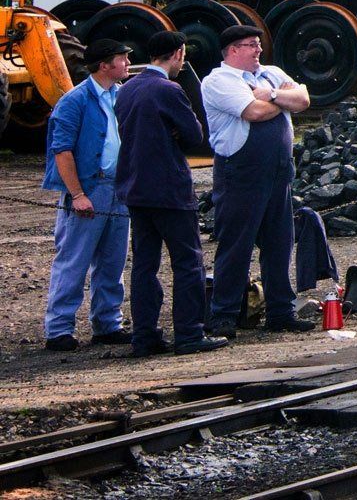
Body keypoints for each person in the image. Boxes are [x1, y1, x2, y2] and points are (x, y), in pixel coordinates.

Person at [114, 31, 228, 356]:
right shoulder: (169, 90)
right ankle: (189, 333)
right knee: (188, 262)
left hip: (135, 188)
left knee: (144, 265)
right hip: (169, 189)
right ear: (178, 53)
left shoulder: (127, 89)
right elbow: (194, 134)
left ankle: (144, 336)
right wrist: (176, 130)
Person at [201, 25, 315, 338]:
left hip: (279, 171)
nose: (258, 50)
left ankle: (281, 311)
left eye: (258, 44)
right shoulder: (218, 81)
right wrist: (281, 101)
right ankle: (223, 315)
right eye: (251, 45)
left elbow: (304, 98)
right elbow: (253, 112)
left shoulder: (270, 74)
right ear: (233, 50)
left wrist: (274, 94)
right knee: (236, 245)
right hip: (241, 172)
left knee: (279, 243)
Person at [41, 39, 134, 351]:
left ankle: (108, 324)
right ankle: (58, 329)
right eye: (122, 59)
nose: (127, 64)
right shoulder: (74, 101)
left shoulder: (120, 96)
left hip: (117, 187)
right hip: (90, 187)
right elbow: (61, 149)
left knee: (113, 260)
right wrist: (77, 193)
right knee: (74, 260)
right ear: (104, 65)